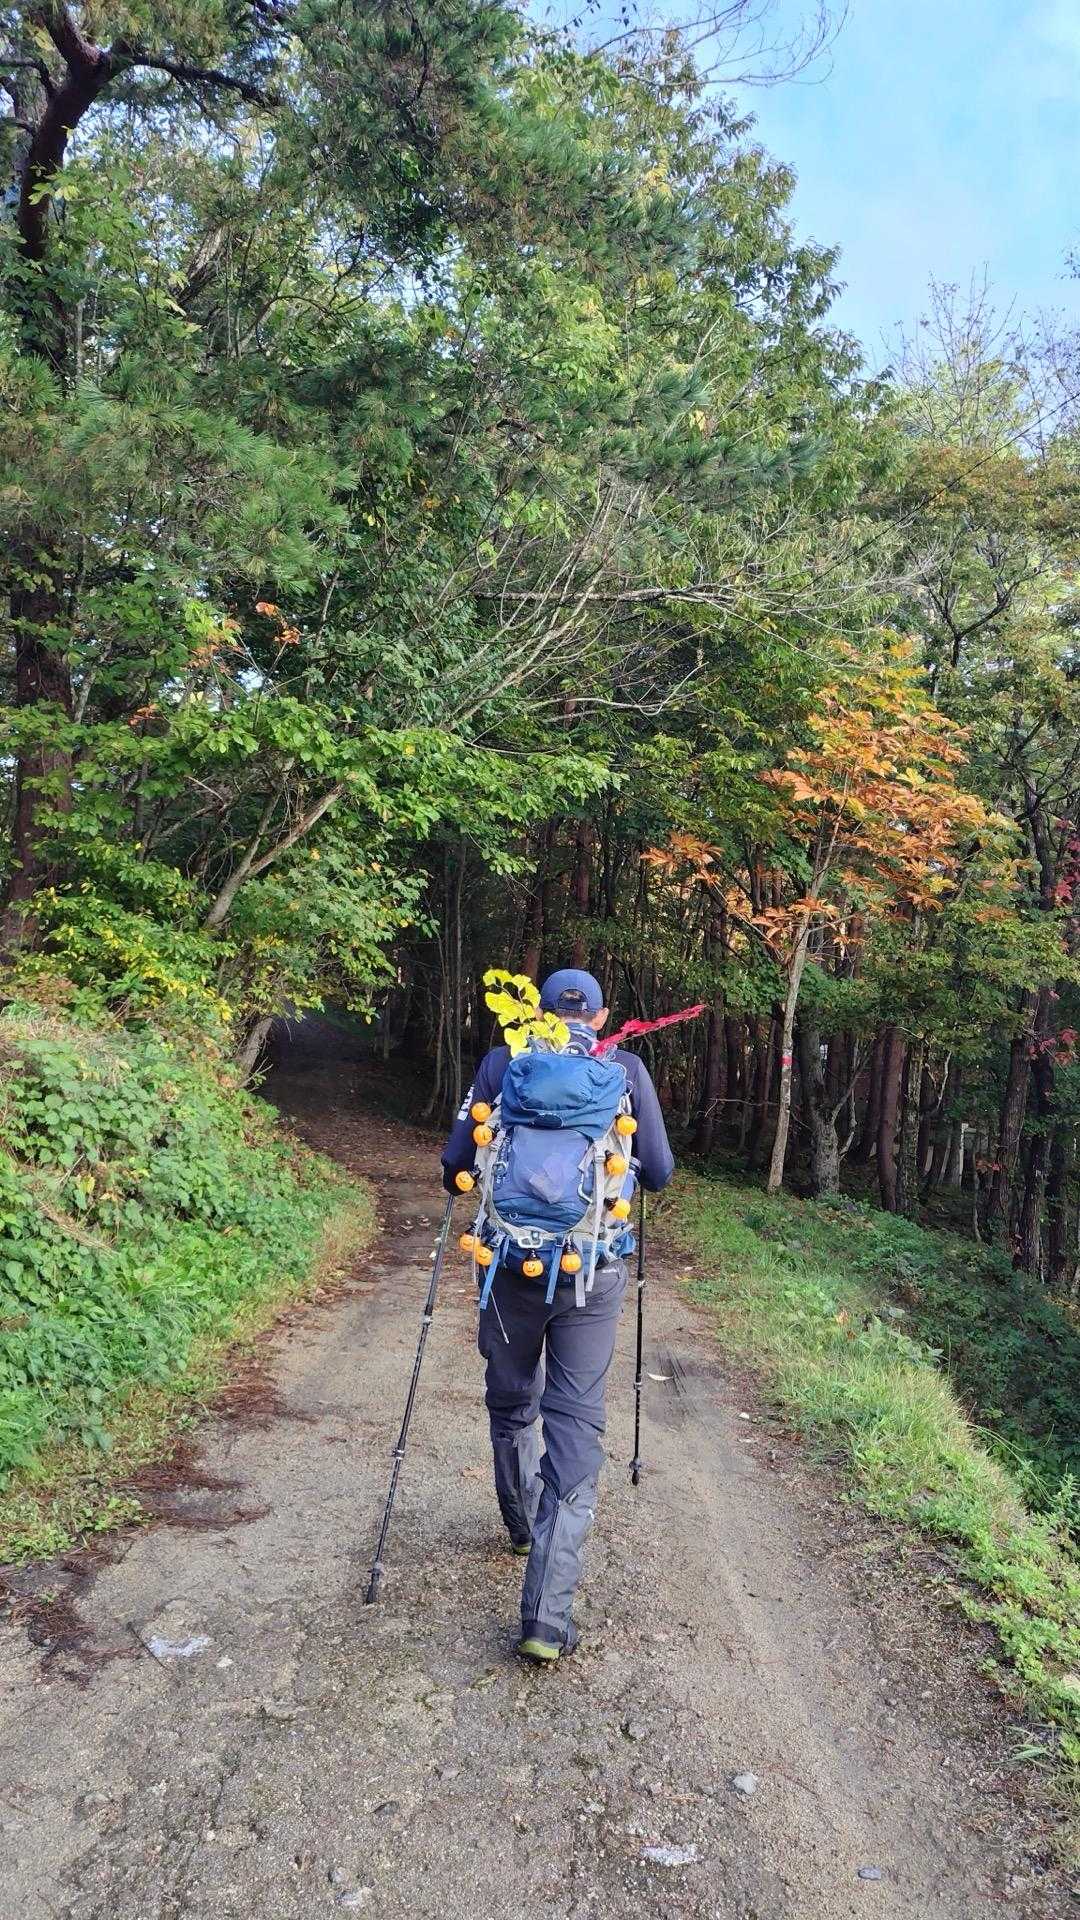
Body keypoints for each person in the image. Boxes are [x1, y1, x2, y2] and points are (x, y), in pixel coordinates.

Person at [441, 968, 675, 1664]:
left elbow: (455, 1161)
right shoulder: (625, 1069)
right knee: (574, 1420)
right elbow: (659, 1171)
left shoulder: (500, 1063)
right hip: (590, 1274)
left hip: (507, 1267)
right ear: (600, 1017)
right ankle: (545, 1618)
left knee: (512, 1395)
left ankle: (518, 1525)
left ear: (538, 1012)